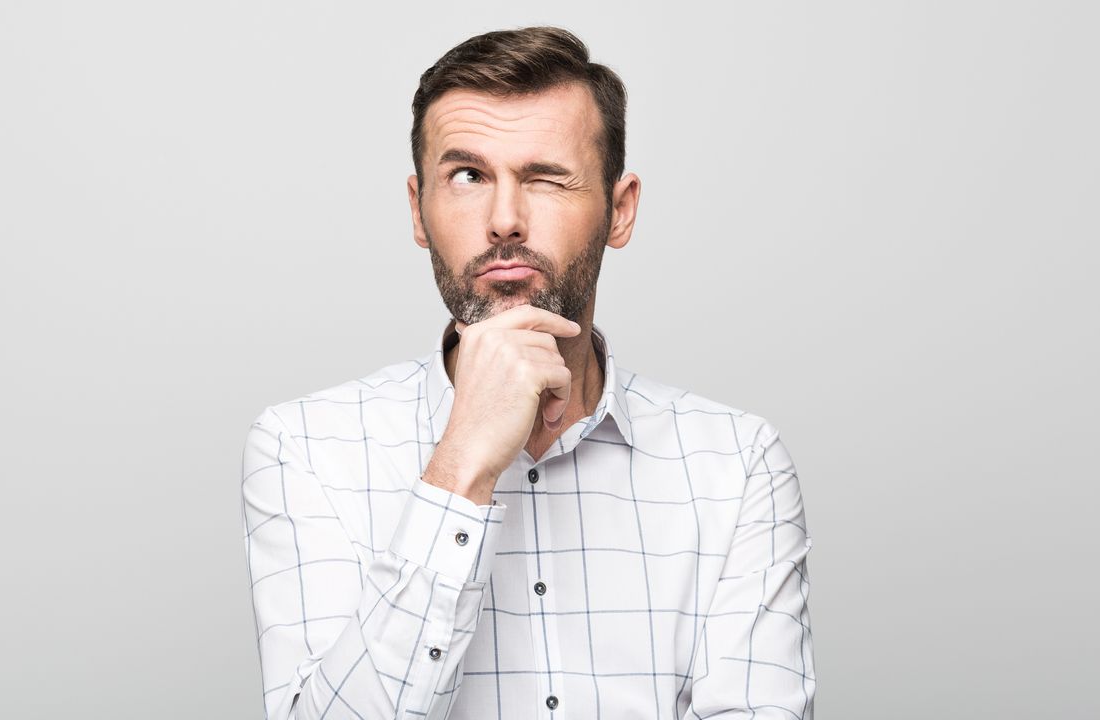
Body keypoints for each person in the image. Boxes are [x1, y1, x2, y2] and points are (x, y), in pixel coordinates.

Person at [241, 25, 815, 719]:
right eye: (467, 176)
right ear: (419, 212)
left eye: (544, 178)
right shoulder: (304, 446)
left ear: (620, 210)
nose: (504, 220)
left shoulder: (736, 464)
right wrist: (461, 471)